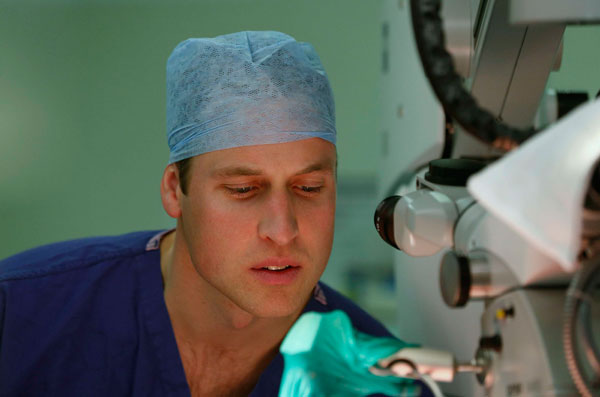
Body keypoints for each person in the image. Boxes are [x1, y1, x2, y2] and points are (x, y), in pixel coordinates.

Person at [0, 31, 396, 396]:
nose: (283, 230)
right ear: (175, 191)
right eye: (243, 190)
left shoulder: (374, 376)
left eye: (309, 189)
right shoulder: (20, 315)